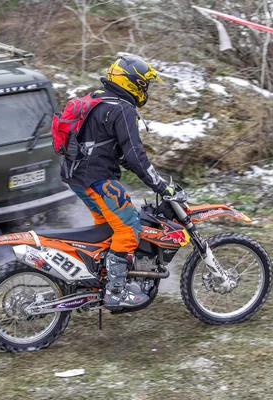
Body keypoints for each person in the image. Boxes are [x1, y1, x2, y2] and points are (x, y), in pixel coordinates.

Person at [62, 55, 173, 309]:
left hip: (77, 178)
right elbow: (135, 156)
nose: (146, 90)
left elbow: (111, 149)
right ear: (132, 83)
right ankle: (115, 291)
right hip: (97, 178)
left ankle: (97, 278)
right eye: (144, 84)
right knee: (128, 228)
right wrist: (160, 186)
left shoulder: (97, 98)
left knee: (107, 228)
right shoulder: (123, 109)